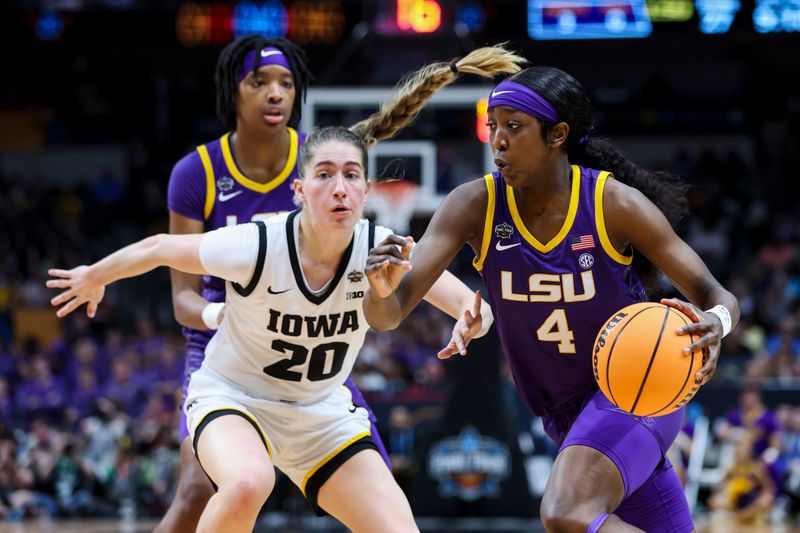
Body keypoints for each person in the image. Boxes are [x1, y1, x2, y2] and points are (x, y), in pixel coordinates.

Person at [47, 45, 524, 532]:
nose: (339, 188)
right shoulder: (256, 243)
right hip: (236, 396)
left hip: (320, 410)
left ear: (367, 190)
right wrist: (94, 276)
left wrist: (473, 319)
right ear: (299, 190)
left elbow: (470, 306)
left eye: (351, 176)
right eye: (324, 175)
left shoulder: (382, 248)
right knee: (248, 482)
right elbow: (160, 248)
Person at [362, 65, 740, 532]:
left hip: (638, 389)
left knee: (565, 513)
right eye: (492, 126)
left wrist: (717, 321)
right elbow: (387, 315)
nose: (497, 140)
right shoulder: (473, 205)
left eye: (513, 127)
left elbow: (714, 292)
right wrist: (380, 291)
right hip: (564, 415)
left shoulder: (611, 204)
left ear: (557, 134)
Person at [162, 35, 378, 532]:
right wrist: (224, 314)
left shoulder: (320, 164)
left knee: (374, 472)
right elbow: (182, 299)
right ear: (232, 93)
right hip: (225, 350)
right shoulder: (197, 173)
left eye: (286, 82)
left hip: (306, 341)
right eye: (258, 83)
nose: (275, 93)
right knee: (198, 489)